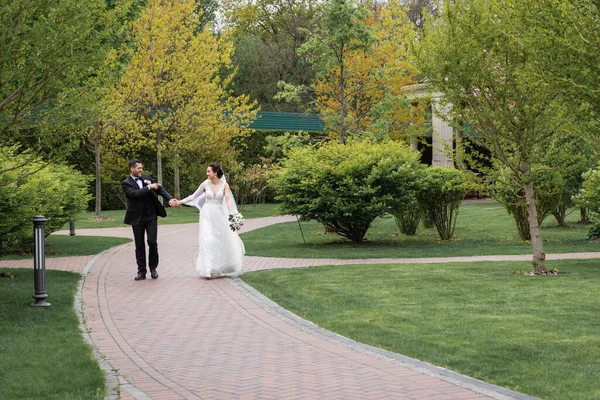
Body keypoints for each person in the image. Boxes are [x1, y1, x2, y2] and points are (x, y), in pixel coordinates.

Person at [176, 163, 245, 279]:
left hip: (219, 215)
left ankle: (220, 265)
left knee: (220, 240)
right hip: (207, 214)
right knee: (208, 240)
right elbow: (193, 196)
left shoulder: (225, 185)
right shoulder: (205, 184)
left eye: (209, 171)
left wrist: (233, 214)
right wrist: (179, 202)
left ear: (215, 172)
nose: (207, 173)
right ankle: (207, 269)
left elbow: (228, 200)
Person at [122, 158, 177, 281]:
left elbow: (159, 189)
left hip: (151, 216)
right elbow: (134, 194)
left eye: (141, 168)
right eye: (139, 168)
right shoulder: (126, 183)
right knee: (139, 245)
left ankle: (153, 269)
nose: (141, 170)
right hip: (137, 218)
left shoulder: (147, 177)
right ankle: (141, 271)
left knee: (152, 242)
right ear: (132, 169)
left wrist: (169, 199)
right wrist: (148, 188)